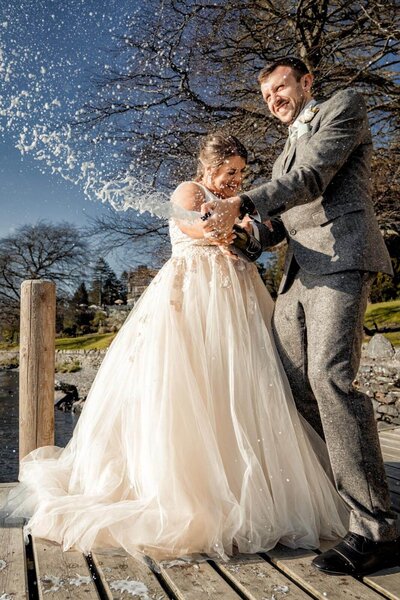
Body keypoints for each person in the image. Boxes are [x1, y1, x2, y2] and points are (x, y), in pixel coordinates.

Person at [2, 132, 348, 563]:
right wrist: (221, 224)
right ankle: (188, 492)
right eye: (228, 173)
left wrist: (245, 232)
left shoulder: (237, 201)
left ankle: (252, 490)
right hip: (193, 299)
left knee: (242, 389)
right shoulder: (191, 191)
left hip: (236, 303)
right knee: (189, 388)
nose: (234, 181)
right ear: (208, 168)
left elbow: (251, 244)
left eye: (241, 174)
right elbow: (191, 224)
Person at [201, 58, 399, 576]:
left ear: (306, 83)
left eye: (280, 87)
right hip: (298, 277)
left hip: (342, 258)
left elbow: (312, 179)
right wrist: (241, 237)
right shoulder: (285, 149)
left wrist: (243, 198)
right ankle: (341, 499)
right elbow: (278, 224)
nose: (274, 99)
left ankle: (376, 527)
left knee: (330, 379)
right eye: (266, 94)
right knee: (292, 384)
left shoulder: (344, 108)